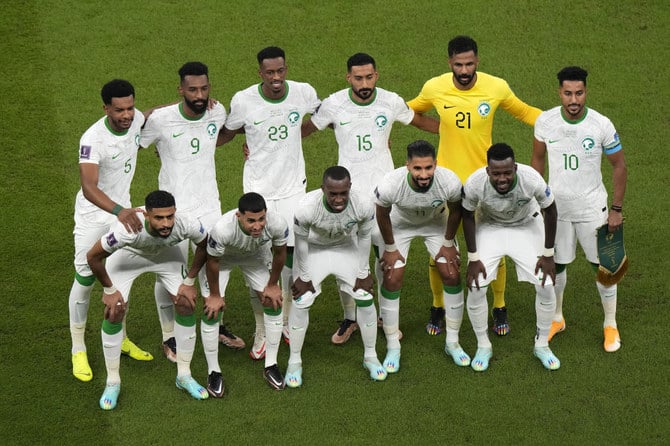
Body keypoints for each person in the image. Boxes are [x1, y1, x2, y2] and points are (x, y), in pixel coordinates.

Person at [408, 35, 542, 336]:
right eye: (459, 64)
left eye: (469, 64)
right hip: (445, 184)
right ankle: (437, 305)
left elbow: (524, 111)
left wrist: (553, 122)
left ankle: (499, 305)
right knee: (441, 249)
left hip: (486, 183)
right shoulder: (435, 87)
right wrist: (437, 128)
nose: (465, 70)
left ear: (477, 61)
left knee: (493, 245)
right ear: (450, 63)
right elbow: (408, 111)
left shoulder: (496, 87)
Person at [302, 52, 439, 345]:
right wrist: (261, 142)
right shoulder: (335, 104)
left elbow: (418, 121)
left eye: (369, 77)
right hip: (346, 195)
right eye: (358, 78)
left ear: (376, 75)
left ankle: (382, 317)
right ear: (348, 77)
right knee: (347, 254)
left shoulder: (390, 101)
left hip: (383, 196)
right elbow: (306, 129)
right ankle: (350, 317)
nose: (364, 83)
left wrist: (459, 132)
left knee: (384, 256)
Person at [140, 61, 244, 370]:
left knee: (216, 265)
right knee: (170, 271)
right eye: (192, 89)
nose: (199, 95)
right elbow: (137, 132)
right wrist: (160, 115)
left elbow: (223, 133)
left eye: (204, 88)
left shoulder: (216, 110)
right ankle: (169, 334)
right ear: (181, 90)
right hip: (172, 210)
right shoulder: (161, 119)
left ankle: (217, 321)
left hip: (209, 205)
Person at [218, 46, 320, 354]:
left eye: (281, 71)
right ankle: (262, 330)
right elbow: (226, 132)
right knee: (259, 260)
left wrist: (294, 136)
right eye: (269, 73)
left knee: (287, 256)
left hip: (292, 190)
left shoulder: (303, 92)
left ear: (286, 69)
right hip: (258, 190)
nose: (276, 78)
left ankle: (285, 320)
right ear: (260, 73)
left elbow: (324, 114)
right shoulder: (243, 100)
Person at [87, 190, 219, 410]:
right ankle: (113, 382)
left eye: (170, 216)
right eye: (159, 218)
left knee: (186, 303)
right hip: (127, 257)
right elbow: (93, 257)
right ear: (146, 215)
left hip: (166, 256)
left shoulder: (186, 223)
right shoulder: (127, 230)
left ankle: (184, 376)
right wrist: (109, 289)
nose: (166, 223)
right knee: (115, 310)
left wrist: (190, 279)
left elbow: (206, 245)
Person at [531, 66, 627, 352]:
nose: (574, 100)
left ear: (586, 92)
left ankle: (610, 324)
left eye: (579, 93)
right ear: (559, 92)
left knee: (605, 267)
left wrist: (616, 209)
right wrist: (538, 198)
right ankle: (557, 318)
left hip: (592, 208)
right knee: (556, 264)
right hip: (556, 210)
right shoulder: (545, 122)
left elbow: (619, 166)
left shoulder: (601, 125)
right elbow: (537, 161)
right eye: (568, 93)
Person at [68, 79, 151, 382]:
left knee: (118, 277)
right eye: (119, 110)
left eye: (130, 107)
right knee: (86, 277)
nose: (127, 115)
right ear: (105, 108)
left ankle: (122, 335)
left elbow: (151, 114)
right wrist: (119, 211)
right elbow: (89, 188)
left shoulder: (137, 118)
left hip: (122, 214)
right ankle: (78, 348)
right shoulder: (93, 138)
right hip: (95, 216)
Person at [462, 143, 560, 371]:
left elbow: (551, 210)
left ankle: (542, 345)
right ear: (488, 171)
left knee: (546, 284)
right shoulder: (476, 182)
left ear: (515, 168)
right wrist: (473, 257)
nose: (502, 178)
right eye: (496, 173)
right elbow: (467, 215)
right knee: (476, 285)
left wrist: (548, 254)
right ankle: (483, 345)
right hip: (490, 226)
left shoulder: (531, 179)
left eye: (507, 172)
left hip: (526, 224)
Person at [285, 166, 385, 388]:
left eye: (343, 193)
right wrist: (303, 276)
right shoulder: (305, 208)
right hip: (314, 250)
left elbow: (365, 237)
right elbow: (300, 242)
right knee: (302, 301)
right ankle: (294, 361)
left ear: (350, 188)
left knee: (365, 297)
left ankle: (371, 356)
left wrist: (363, 273)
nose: (338, 199)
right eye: (333, 193)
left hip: (345, 248)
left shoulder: (363, 205)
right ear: (323, 189)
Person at [374, 140, 465, 373]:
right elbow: (382, 215)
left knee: (452, 274)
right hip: (401, 225)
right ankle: (393, 345)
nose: (423, 174)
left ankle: (452, 342)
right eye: (417, 168)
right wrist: (391, 247)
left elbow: (456, 211)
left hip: (436, 224)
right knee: (392, 277)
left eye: (428, 167)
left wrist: (447, 243)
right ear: (408, 166)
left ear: (435, 164)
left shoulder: (450, 182)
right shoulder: (390, 185)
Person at [205, 192, 289, 390]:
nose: (257, 225)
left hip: (254, 257)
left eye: (261, 219)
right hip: (223, 261)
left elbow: (280, 253)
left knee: (273, 301)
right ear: (239, 216)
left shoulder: (277, 223)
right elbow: (213, 262)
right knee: (211, 310)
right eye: (251, 220)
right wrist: (215, 296)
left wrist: (273, 284)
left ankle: (271, 364)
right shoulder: (222, 229)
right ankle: (213, 371)